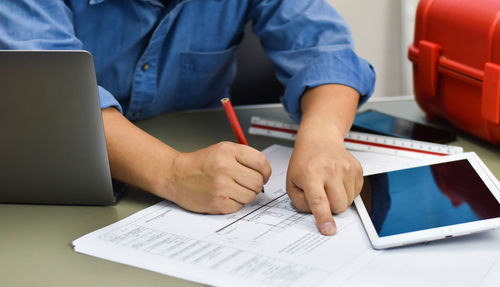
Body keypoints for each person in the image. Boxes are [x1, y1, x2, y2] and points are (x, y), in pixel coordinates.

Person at [0, 0, 375, 236]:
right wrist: (173, 172)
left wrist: (322, 140)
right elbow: (48, 90)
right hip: (41, 196)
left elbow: (326, 53)